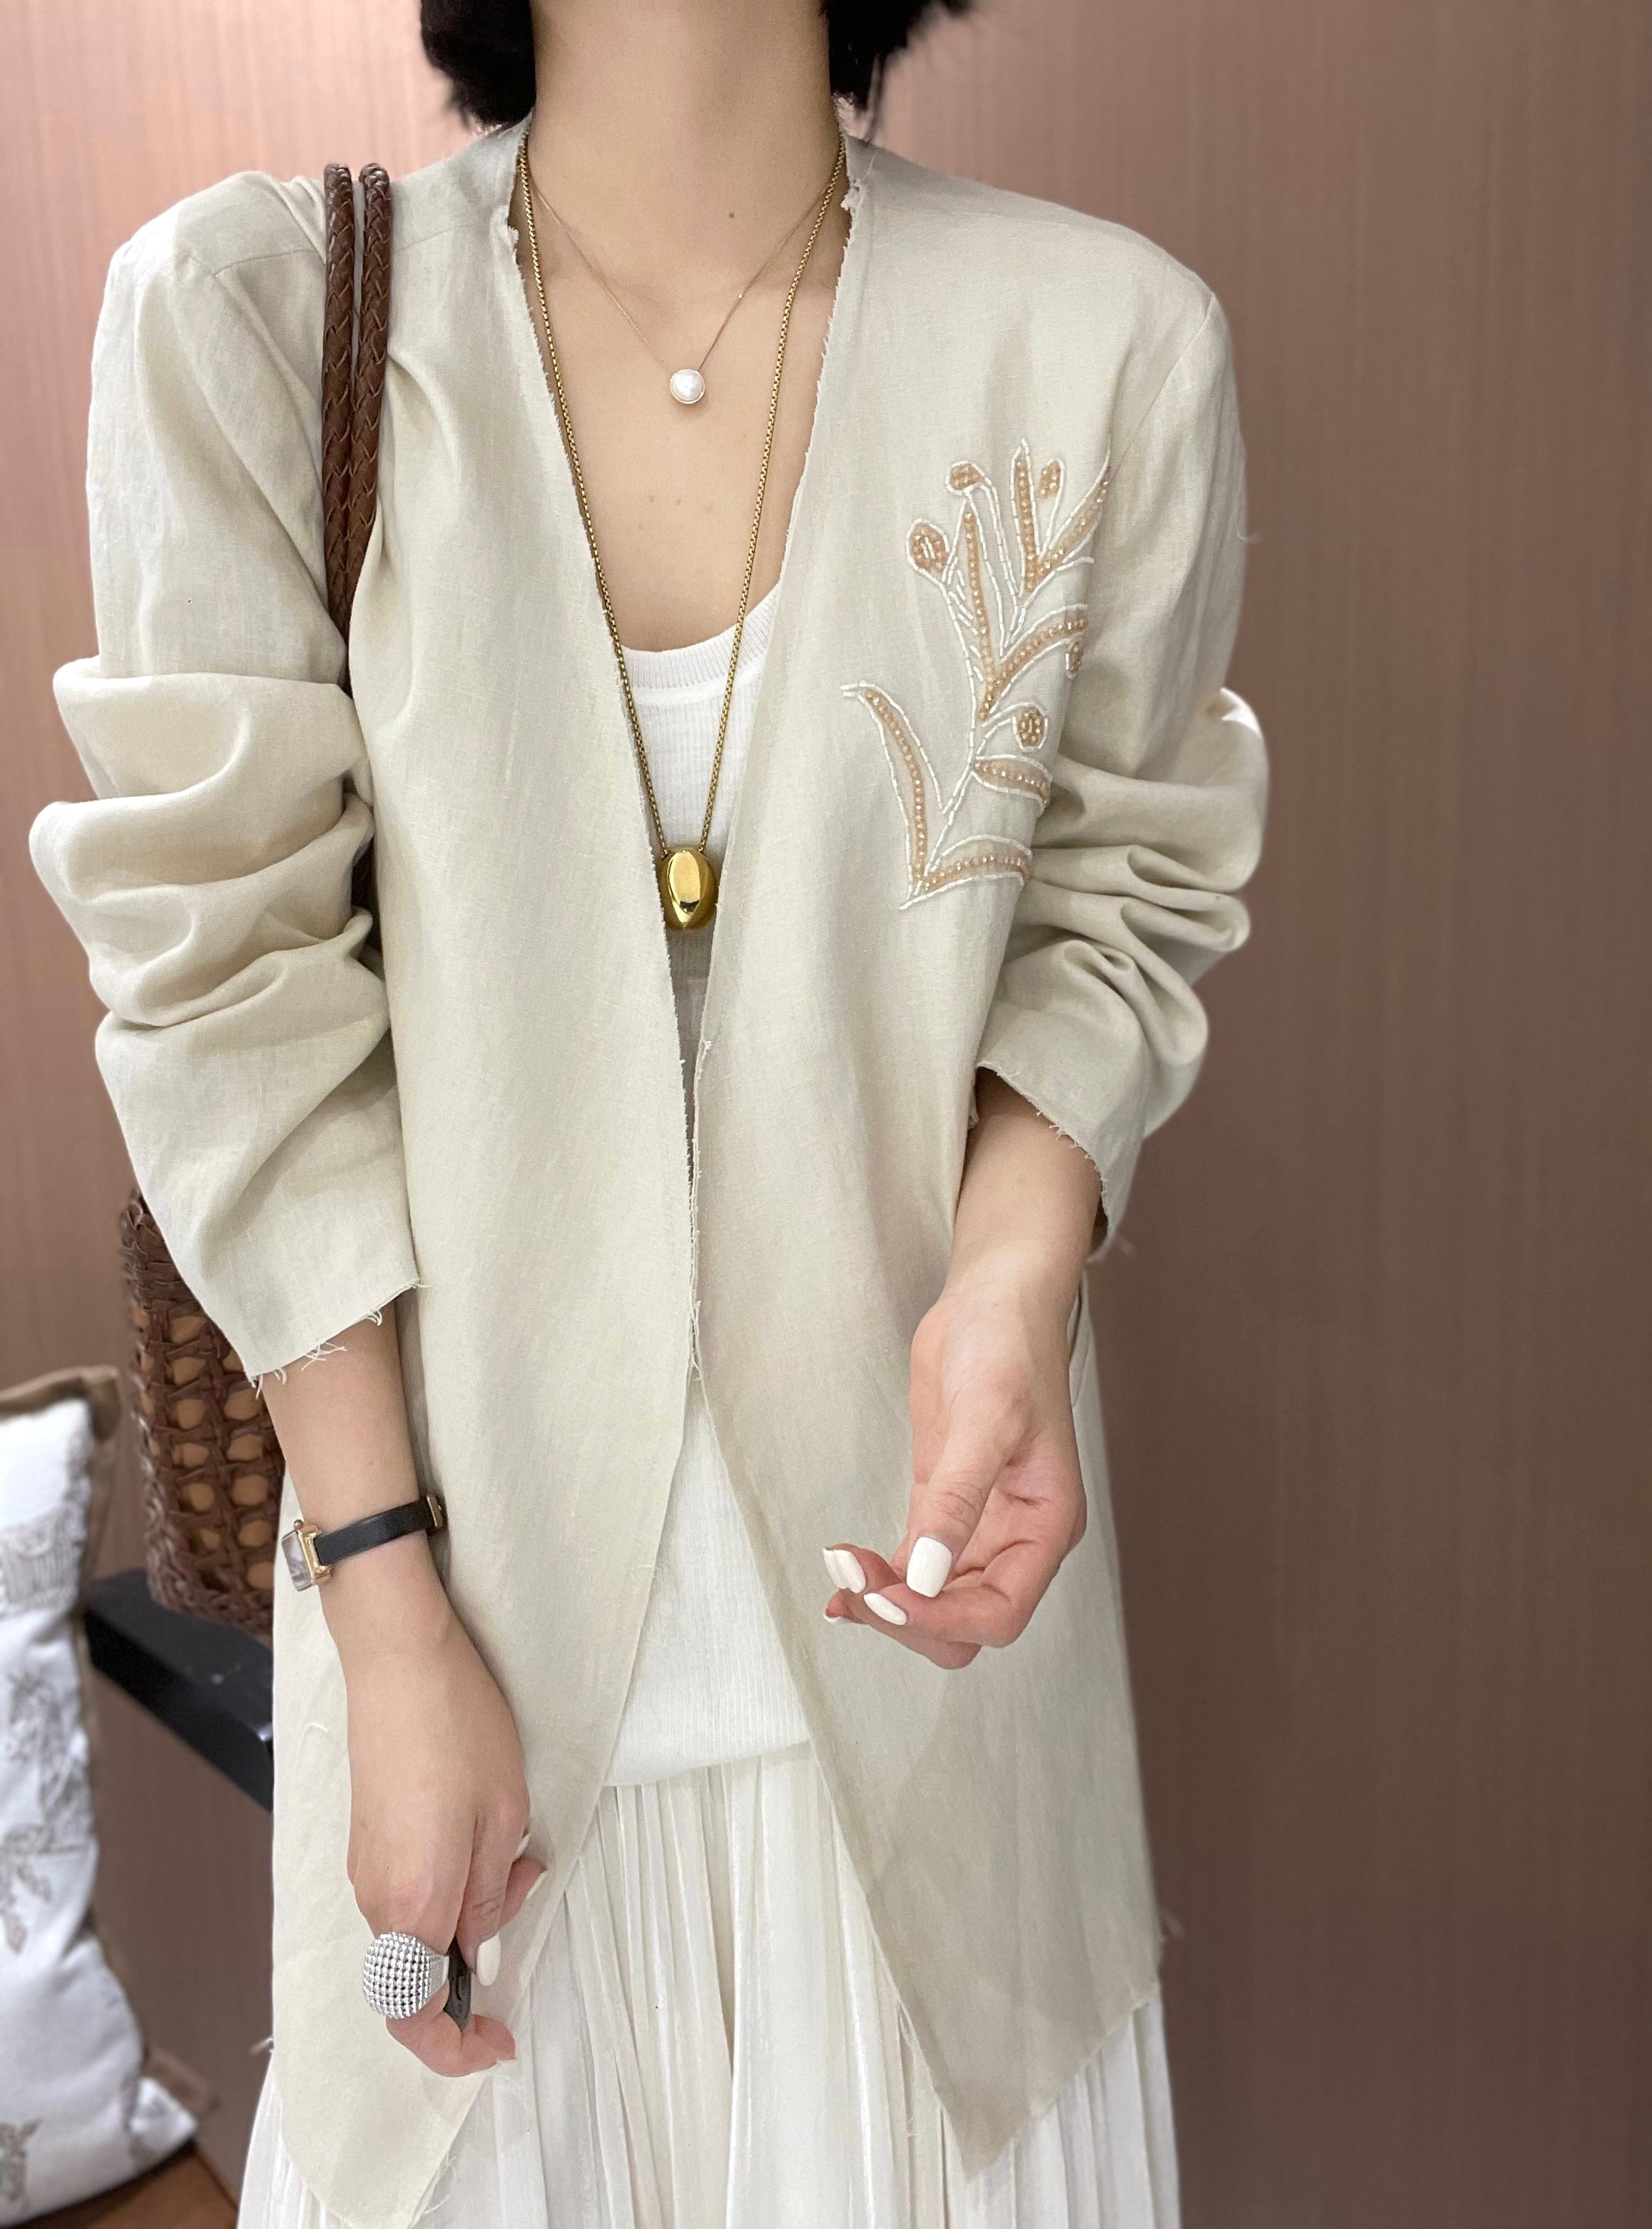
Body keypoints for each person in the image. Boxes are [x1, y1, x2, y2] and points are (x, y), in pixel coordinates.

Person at [31, 0, 1267, 2220]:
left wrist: (1013, 1273)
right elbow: (228, 997)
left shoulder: (1101, 346)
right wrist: (384, 1617)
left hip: (933, 1761)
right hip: (479, 1724)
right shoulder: (257, 317)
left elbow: (1112, 913)